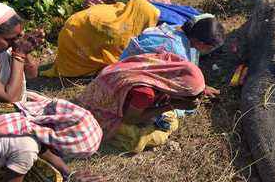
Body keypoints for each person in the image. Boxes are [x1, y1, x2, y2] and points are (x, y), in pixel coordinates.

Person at [77, 52, 205, 153]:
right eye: (182, 98)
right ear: (177, 89)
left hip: (106, 88)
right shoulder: (146, 93)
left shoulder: (165, 62)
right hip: (98, 110)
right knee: (156, 137)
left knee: (168, 120)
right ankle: (106, 135)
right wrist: (171, 106)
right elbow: (130, 120)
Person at [41, 0, 160, 78]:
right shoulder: (120, 34)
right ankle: (84, 61)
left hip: (74, 29)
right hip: (73, 37)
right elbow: (120, 60)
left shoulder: (121, 11)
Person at [120, 13, 225, 101]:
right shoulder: (178, 54)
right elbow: (180, 87)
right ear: (200, 44)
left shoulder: (178, 29)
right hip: (126, 80)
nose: (211, 51)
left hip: (123, 62)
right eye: (210, 48)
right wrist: (201, 91)